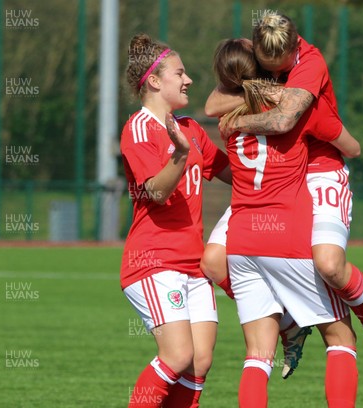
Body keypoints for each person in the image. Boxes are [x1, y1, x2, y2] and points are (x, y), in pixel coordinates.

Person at [205, 11, 363, 377]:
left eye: (277, 67)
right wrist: (256, 90)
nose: (269, 71)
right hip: (273, 183)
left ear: (294, 50)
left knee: (328, 264)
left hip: (318, 171)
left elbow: (287, 121)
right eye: (263, 66)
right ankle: (289, 325)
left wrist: (241, 118)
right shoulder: (259, 54)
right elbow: (212, 104)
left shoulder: (310, 63)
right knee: (214, 262)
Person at [211, 38, 360, 407]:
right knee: (340, 336)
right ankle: (309, 324)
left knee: (256, 353)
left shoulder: (226, 120)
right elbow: (351, 147)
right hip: (285, 227)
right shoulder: (300, 108)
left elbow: (213, 103)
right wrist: (279, 95)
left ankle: (288, 324)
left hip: (247, 233)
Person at [120, 33, 231, 408]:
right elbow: (154, 192)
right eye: (180, 73)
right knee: (178, 356)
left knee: (199, 362)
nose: (189, 80)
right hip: (153, 262)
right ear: (154, 80)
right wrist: (179, 156)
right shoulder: (139, 129)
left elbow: (233, 171)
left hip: (194, 265)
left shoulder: (192, 129)